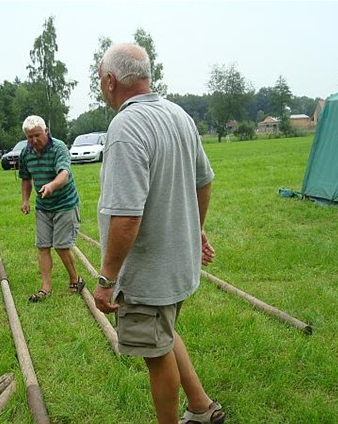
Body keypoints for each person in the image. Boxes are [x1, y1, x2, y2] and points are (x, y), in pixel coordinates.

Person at [93, 43, 224, 424]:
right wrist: (195, 231)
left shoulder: (126, 125)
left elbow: (126, 216)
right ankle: (200, 407)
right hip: (175, 265)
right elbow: (205, 181)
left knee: (155, 353)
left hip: (148, 272)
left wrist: (107, 280)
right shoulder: (178, 114)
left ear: (111, 80)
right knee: (163, 334)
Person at [19, 115, 84, 302]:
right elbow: (25, 178)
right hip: (43, 206)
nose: (33, 140)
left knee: (62, 246)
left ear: (45, 131)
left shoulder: (59, 147)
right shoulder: (26, 152)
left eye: (37, 135)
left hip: (65, 203)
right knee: (43, 246)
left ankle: (75, 279)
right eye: (29, 137)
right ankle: (45, 287)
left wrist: (51, 186)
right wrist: (25, 200)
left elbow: (64, 173)